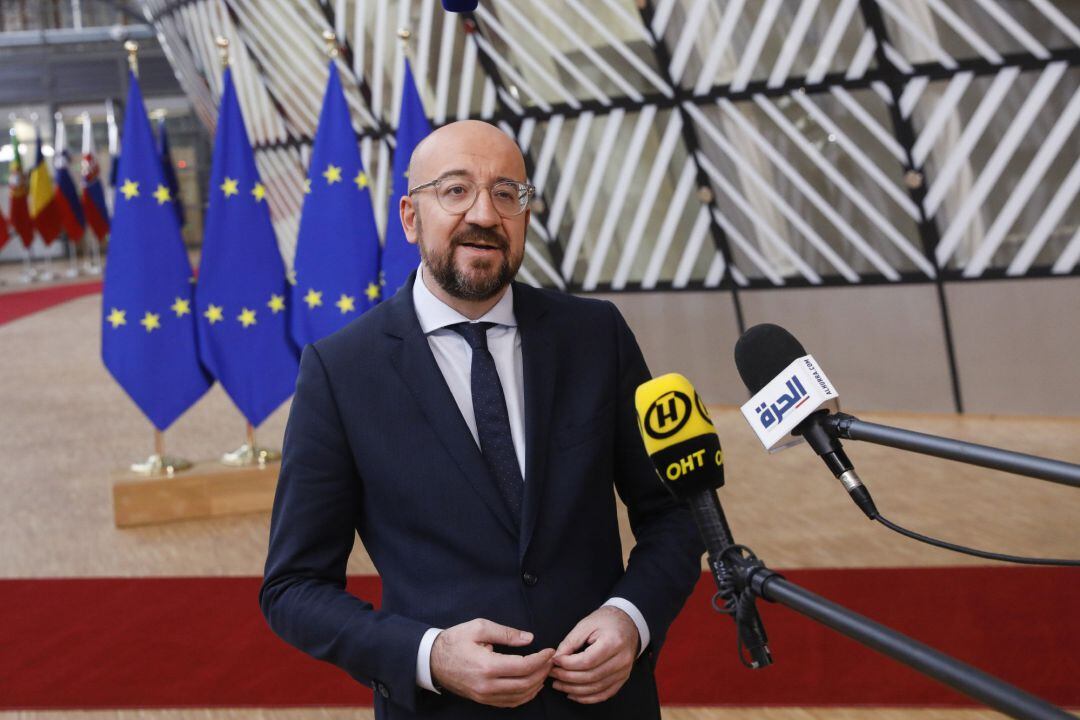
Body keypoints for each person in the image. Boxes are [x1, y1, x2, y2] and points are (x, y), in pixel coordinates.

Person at [260, 120, 703, 719]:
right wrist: (428, 654)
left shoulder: (598, 336)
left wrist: (632, 617)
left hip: (604, 706)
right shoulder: (340, 372)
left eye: (506, 193)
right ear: (410, 217)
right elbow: (293, 588)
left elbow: (675, 513)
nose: (485, 214)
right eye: (454, 190)